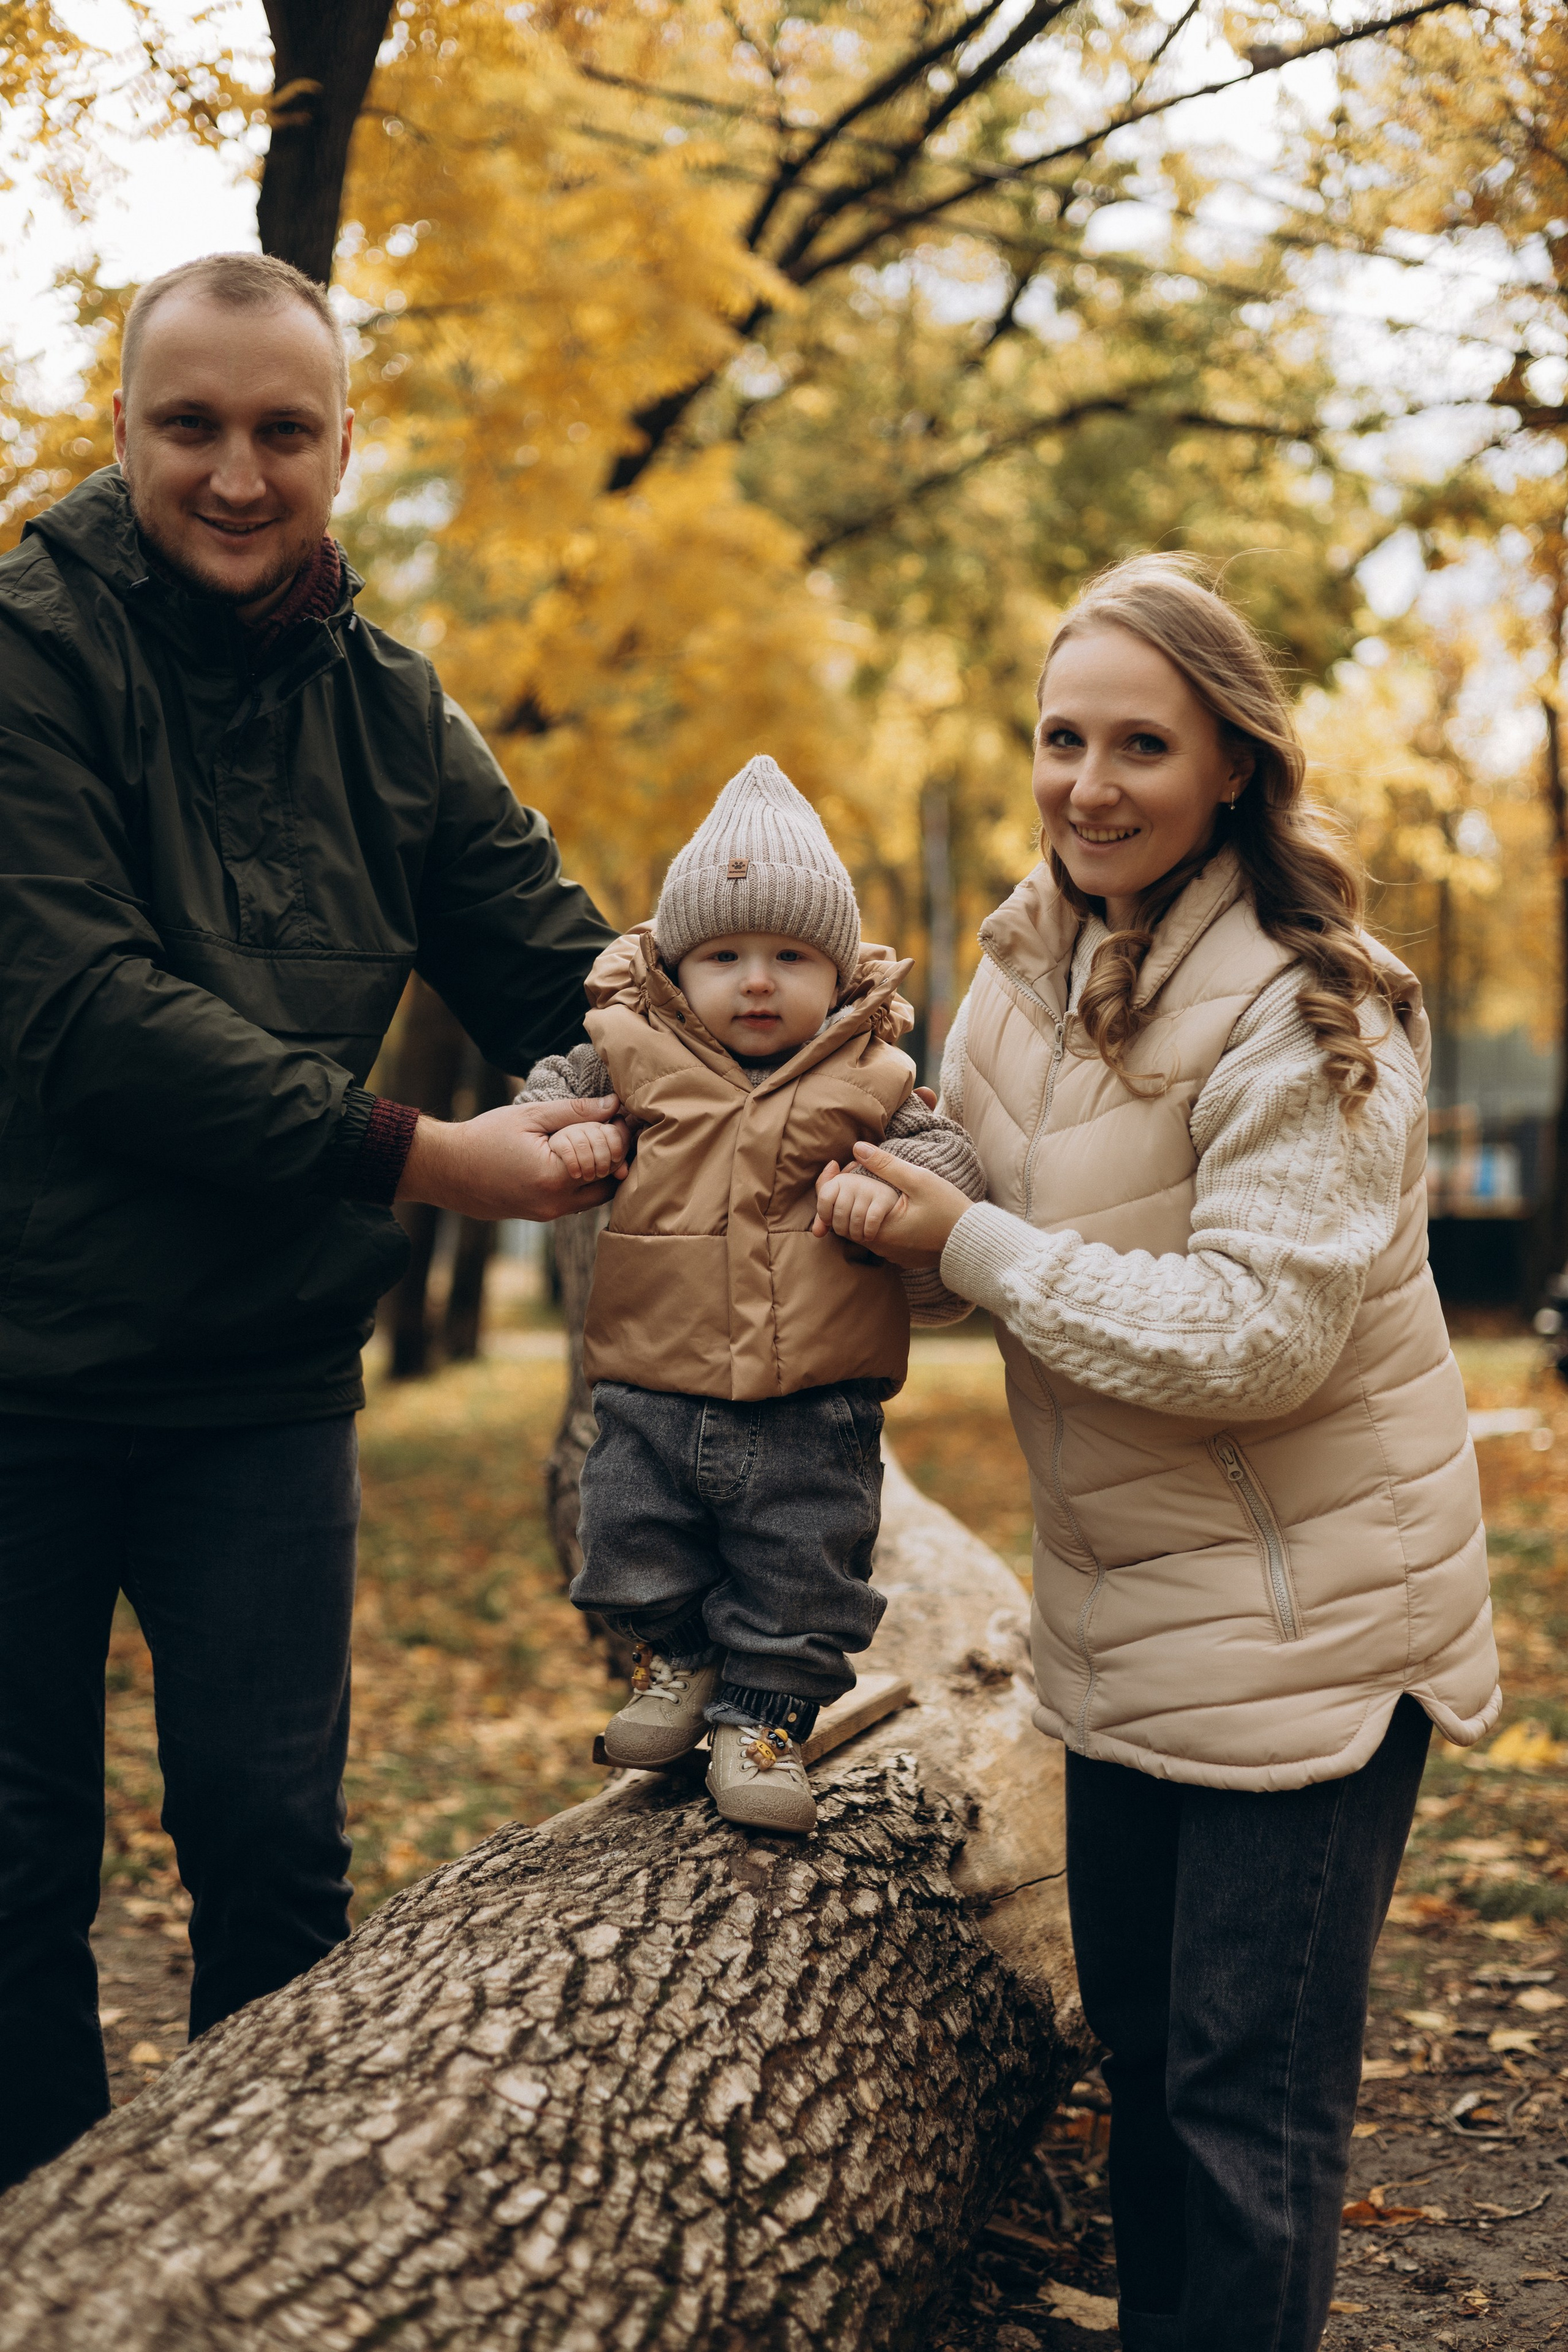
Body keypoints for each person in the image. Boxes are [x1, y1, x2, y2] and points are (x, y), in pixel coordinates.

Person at [814, 556, 1501, 2351]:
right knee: (1146, 2073)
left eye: (1142, 744)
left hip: (1309, 1627)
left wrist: (962, 1248)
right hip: (1117, 1630)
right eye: (1062, 739)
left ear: (1230, 771)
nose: (1089, 784)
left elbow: (1253, 1338)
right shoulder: (1028, 973)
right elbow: (1008, 1256)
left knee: (1239, 2112)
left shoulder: (1320, 1009)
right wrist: (883, 1199)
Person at [0, 251, 626, 2188]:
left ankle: (254, 2250)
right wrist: (427, 1160)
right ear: (124, 431)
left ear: (346, 444)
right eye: (192, 425)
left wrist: (777, 1041)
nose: (239, 473)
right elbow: (86, 1011)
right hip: (15, 1369)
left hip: (261, 1387)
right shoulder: (26, 648)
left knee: (272, 1851)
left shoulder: (389, 709)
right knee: (17, 1866)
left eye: (285, 430)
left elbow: (558, 960)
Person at [516, 754, 984, 1831]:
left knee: (805, 1564)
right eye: (724, 955)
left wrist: (900, 1204)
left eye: (790, 955)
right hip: (651, 1382)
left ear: (841, 972)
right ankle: (673, 1662)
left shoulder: (874, 1077)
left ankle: (766, 1716)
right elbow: (545, 1103)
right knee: (628, 1530)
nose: (758, 981)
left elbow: (949, 1166)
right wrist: (577, 1131)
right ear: (679, 969)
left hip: (816, 1402)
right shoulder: (624, 1052)